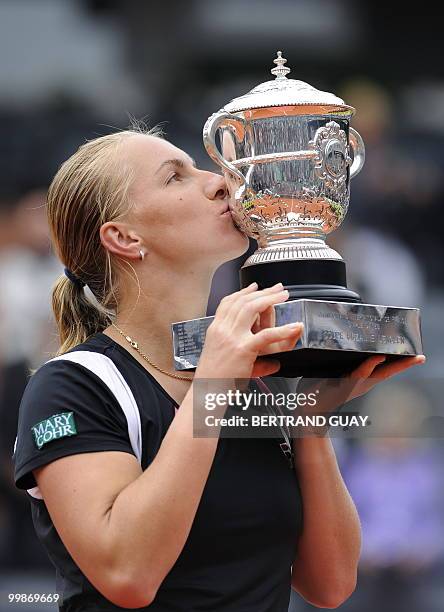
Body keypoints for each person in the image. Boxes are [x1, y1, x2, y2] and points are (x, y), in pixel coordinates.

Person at [12, 127, 425, 611]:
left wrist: (308, 419)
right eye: (175, 177)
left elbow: (330, 584)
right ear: (124, 237)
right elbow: (127, 574)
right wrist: (211, 387)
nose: (219, 183)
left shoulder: (251, 382)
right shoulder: (73, 386)